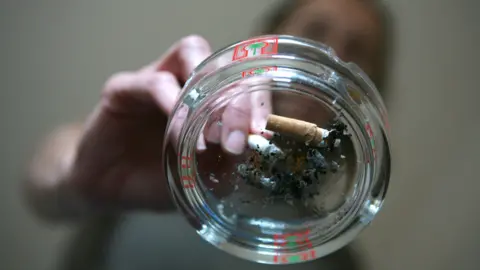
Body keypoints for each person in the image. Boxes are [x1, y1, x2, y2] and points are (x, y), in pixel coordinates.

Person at [24, 0, 392, 269]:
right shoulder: (175, 124)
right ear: (266, 39)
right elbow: (41, 183)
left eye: (356, 51)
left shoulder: (333, 253)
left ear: (370, 85)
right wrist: (78, 179)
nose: (330, 58)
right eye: (315, 32)